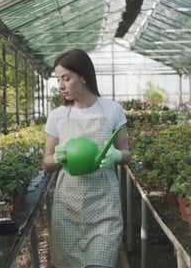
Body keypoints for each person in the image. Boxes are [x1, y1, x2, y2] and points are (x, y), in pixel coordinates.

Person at [42, 49, 131, 268]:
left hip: (104, 205)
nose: (61, 85)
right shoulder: (57, 116)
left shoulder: (112, 110)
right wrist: (58, 157)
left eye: (66, 78)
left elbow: (127, 154)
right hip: (67, 207)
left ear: (83, 76)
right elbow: (46, 162)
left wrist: (117, 156)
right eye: (58, 80)